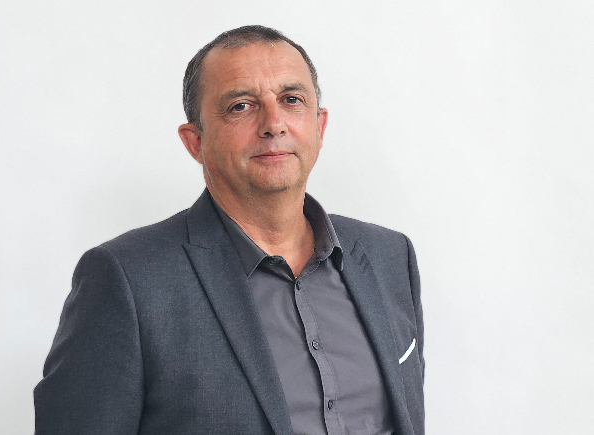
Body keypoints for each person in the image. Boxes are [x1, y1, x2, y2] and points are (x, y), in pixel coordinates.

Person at [34, 25, 424, 435]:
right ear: (195, 142)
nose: (274, 123)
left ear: (319, 126)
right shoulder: (128, 280)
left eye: (291, 100)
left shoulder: (389, 257)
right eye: (241, 106)